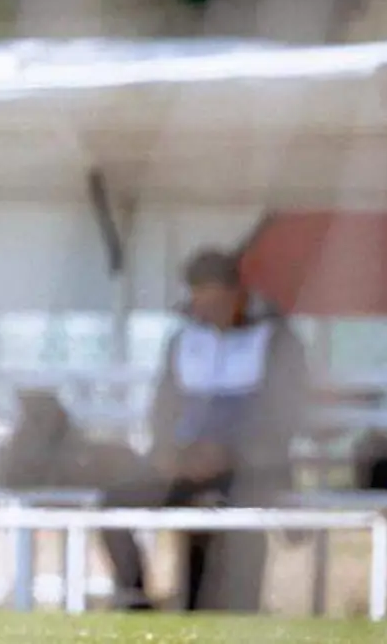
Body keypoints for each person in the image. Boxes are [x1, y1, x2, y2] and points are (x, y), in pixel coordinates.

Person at [100, 247, 310, 613]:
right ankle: (135, 603)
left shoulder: (276, 341)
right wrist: (168, 453)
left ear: (237, 295)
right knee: (115, 503)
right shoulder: (183, 341)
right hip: (185, 464)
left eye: (215, 301)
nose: (207, 311)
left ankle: (239, 610)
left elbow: (285, 414)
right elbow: (163, 408)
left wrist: (230, 453)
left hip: (251, 466)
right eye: (200, 301)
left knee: (235, 512)